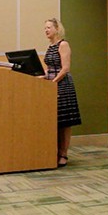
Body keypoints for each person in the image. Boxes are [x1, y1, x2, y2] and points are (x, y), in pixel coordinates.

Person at [43, 18, 82, 167]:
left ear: (57, 29)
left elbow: (65, 69)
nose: (46, 30)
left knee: (65, 121)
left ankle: (63, 154)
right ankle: (55, 152)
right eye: (45, 28)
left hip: (63, 85)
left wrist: (53, 83)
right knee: (55, 120)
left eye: (48, 27)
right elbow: (50, 69)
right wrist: (41, 76)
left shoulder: (63, 44)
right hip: (52, 84)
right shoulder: (50, 46)